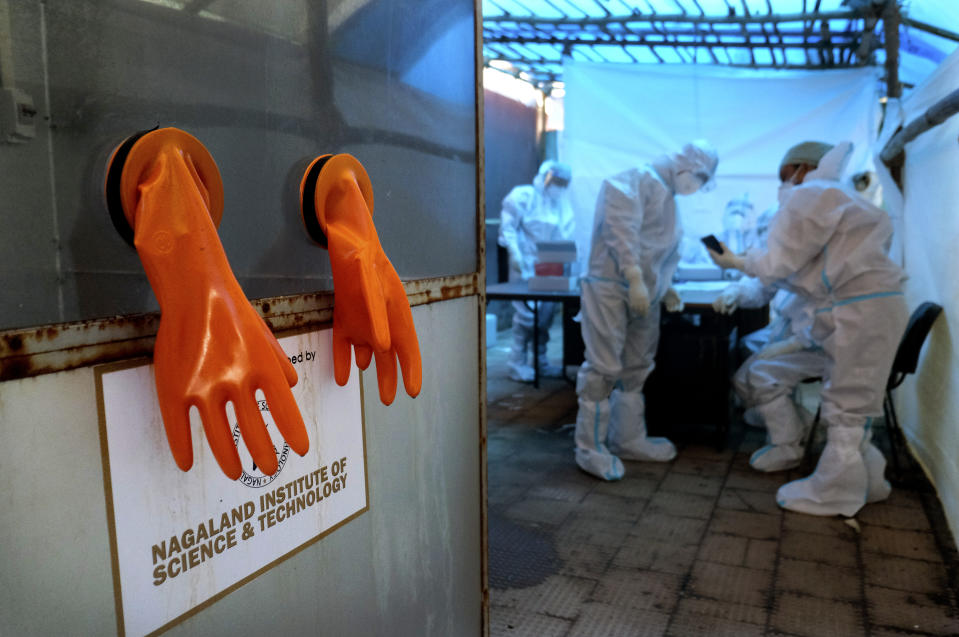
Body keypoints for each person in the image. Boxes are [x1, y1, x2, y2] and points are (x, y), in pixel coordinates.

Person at [708, 141, 907, 517]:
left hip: (856, 311)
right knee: (855, 402)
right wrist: (744, 277)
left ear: (800, 168)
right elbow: (790, 268)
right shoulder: (841, 197)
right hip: (869, 307)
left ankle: (834, 493)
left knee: (846, 404)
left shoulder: (812, 194)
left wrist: (735, 260)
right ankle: (867, 479)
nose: (783, 186)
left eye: (785, 176)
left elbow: (777, 263)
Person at [574, 140, 719, 480]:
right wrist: (634, 276)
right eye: (698, 176)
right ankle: (590, 448)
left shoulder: (668, 198)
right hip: (609, 285)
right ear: (683, 164)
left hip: (644, 293)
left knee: (637, 365)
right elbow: (621, 230)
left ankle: (628, 439)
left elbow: (661, 248)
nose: (696, 185)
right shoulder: (633, 180)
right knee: (604, 366)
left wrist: (663, 288)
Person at [498, 160, 575, 382]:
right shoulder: (524, 196)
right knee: (526, 316)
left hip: (548, 267)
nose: (558, 186)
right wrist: (514, 252)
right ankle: (516, 363)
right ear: (544, 177)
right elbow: (509, 226)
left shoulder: (560, 205)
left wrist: (562, 265)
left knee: (544, 318)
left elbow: (564, 236)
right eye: (555, 181)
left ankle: (539, 362)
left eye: (563, 183)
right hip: (524, 265)